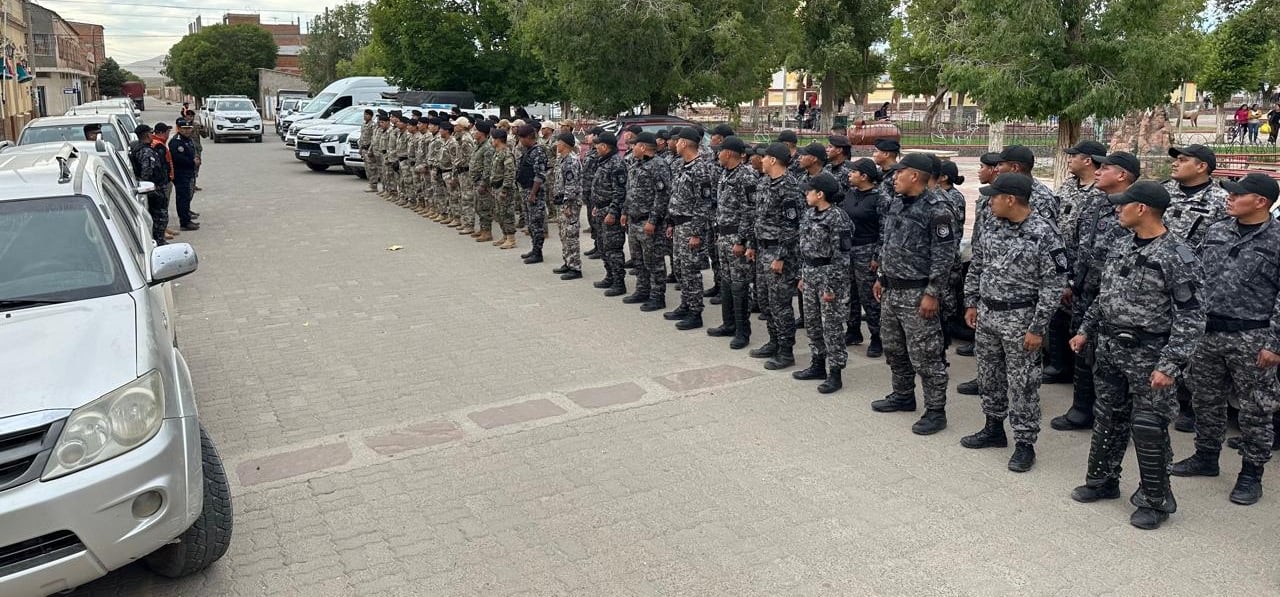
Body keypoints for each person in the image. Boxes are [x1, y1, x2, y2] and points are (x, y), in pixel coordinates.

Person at [1069, 181, 1204, 530]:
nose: (1118, 209)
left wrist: (1170, 364)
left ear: (1141, 209)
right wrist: (1085, 330)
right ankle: (1102, 481)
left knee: (1149, 426)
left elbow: (1191, 316)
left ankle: (1155, 500)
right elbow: (1105, 295)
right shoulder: (1121, 244)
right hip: (1112, 347)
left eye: (1123, 205)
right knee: (1108, 415)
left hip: (1151, 354)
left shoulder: (1177, 255)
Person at [1173, 173, 1280, 506]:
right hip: (1208, 332)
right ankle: (1206, 456)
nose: (1229, 198)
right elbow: (1195, 271)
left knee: (1255, 409)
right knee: (1205, 399)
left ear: (1260, 202)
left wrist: (1274, 343)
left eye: (1237, 194)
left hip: (1252, 335)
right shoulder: (1217, 230)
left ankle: (1251, 473)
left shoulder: (1277, 238)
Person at [961, 173, 1069, 472]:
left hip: (1021, 318)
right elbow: (977, 265)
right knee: (988, 374)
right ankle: (993, 427)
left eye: (994, 196)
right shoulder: (992, 225)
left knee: (1023, 382)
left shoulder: (1044, 232)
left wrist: (1037, 327)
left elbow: (1053, 284)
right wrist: (971, 302)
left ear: (1010, 199)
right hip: (988, 314)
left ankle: (1025, 443)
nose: (989, 201)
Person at [1050, 151, 1140, 431]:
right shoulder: (1094, 203)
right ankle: (1081, 408)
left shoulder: (1137, 207)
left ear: (1122, 175)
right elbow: (1078, 246)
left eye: (1106, 168)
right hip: (1085, 291)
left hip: (1118, 298)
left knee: (1113, 361)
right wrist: (1070, 281)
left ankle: (1114, 420)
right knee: (1083, 348)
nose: (1098, 172)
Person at [870, 153, 958, 436]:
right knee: (894, 348)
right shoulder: (898, 202)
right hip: (893, 289)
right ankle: (903, 395)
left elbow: (944, 257)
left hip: (918, 292)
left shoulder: (938, 208)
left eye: (900, 172)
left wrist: (932, 293)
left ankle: (935, 411)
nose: (894, 177)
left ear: (916, 176)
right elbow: (889, 242)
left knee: (926, 355)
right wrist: (882, 276)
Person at [1043, 141, 1108, 386]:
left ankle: (1080, 375)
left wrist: (1073, 277)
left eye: (1074, 156)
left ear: (1088, 160)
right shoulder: (1069, 186)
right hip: (1062, 262)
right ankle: (1058, 365)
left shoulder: (1101, 192)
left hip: (1087, 269)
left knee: (1083, 323)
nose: (1069, 159)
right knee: (1058, 315)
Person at [793, 172, 854, 393]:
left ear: (820, 194)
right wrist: (802, 276)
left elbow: (841, 257)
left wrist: (831, 287)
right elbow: (805, 249)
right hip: (810, 275)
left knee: (832, 327)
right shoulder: (809, 214)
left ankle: (835, 372)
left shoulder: (837, 217)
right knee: (813, 323)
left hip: (829, 278)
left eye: (809, 191)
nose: (806, 194)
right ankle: (817, 364)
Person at [745, 143, 804, 370]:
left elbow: (792, 226)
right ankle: (774, 341)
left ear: (773, 160)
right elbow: (757, 218)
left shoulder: (789, 187)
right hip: (762, 249)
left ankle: (786, 351)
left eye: (765, 157)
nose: (761, 160)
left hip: (780, 253)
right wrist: (752, 244)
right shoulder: (763, 183)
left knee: (780, 304)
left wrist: (781, 256)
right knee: (765, 301)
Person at [663, 128, 716, 329]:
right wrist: (670, 222)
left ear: (684, 143)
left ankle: (695, 312)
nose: (675, 144)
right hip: (679, 224)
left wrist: (696, 233)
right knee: (681, 269)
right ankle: (685, 304)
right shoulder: (684, 166)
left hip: (690, 226)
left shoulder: (700, 168)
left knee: (691, 270)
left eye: (677, 142)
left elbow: (703, 204)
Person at [709, 136, 756, 348]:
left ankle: (742, 331)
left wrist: (741, 240)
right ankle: (728, 324)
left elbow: (749, 211)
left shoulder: (746, 176)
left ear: (728, 153)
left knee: (739, 284)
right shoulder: (725, 173)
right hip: (724, 235)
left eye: (720, 151)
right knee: (727, 280)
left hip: (737, 236)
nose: (717, 155)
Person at [621, 132, 670, 307]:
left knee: (654, 261)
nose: (632, 148)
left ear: (642, 147)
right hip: (634, 220)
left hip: (648, 221)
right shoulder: (636, 164)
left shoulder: (658, 165)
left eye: (635, 145)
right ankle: (642, 290)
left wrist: (653, 220)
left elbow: (662, 195)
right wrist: (625, 212)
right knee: (638, 259)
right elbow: (630, 191)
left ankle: (657, 296)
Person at [842, 158, 885, 358]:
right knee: (850, 293)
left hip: (867, 251)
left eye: (853, 172)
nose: (849, 174)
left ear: (864, 176)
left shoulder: (879, 198)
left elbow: (884, 230)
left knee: (869, 297)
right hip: (849, 249)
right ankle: (853, 330)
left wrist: (877, 256)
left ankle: (877, 337)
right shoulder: (851, 193)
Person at [1163, 144, 1227, 248]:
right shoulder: (1162, 191)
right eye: (1176, 160)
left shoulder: (1221, 200)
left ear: (1201, 167)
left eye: (1182, 160)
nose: (1174, 164)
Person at [592, 132, 629, 296]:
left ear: (605, 146)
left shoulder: (616, 164)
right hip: (601, 209)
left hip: (609, 211)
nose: (596, 148)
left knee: (613, 248)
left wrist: (613, 212)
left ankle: (619, 282)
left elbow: (619, 192)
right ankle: (610, 275)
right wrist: (596, 205)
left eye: (598, 145)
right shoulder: (604, 161)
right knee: (602, 246)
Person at [552, 132, 585, 280]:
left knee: (571, 235)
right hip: (562, 202)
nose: (556, 145)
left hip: (569, 204)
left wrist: (567, 204)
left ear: (564, 144)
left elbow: (572, 186)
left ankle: (575, 267)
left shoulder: (571, 161)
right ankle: (568, 262)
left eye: (558, 142)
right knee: (564, 234)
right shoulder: (562, 159)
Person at [997, 145, 1059, 222]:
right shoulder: (1002, 190)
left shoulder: (1042, 198)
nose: (996, 169)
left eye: (1000, 164)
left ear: (1015, 168)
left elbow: (1046, 231)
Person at [515, 125, 549, 264]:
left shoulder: (539, 151)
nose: (520, 141)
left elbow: (540, 175)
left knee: (536, 223)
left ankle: (538, 252)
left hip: (534, 192)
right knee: (530, 223)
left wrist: (533, 193)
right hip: (526, 189)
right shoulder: (529, 151)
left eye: (521, 138)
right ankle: (534, 248)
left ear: (529, 137)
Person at [130, 124, 169, 245]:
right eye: (150, 133)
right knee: (160, 217)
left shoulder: (140, 148)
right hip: (154, 189)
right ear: (147, 134)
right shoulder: (146, 151)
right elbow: (147, 172)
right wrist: (153, 187)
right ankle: (159, 241)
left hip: (153, 187)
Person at [489, 128, 518, 250]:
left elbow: (509, 173)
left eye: (493, 138)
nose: (491, 140)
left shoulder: (506, 153)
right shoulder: (497, 152)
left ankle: (511, 239)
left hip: (504, 188)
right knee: (499, 213)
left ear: (498, 140)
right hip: (496, 186)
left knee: (507, 213)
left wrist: (505, 189)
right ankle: (505, 235)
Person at [169, 119, 199, 231]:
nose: (187, 131)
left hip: (188, 172)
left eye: (189, 128)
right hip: (180, 173)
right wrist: (192, 162)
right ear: (179, 129)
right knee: (182, 198)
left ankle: (187, 218)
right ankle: (184, 222)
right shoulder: (176, 142)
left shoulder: (188, 140)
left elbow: (192, 152)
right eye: (184, 129)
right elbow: (177, 159)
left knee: (187, 197)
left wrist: (195, 159)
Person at [470, 121, 496, 243]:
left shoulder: (487, 148)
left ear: (482, 133)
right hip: (476, 181)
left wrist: (484, 184)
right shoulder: (478, 146)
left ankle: (487, 232)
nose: (473, 132)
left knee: (485, 207)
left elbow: (488, 168)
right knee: (478, 206)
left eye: (475, 130)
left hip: (482, 182)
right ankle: (482, 228)